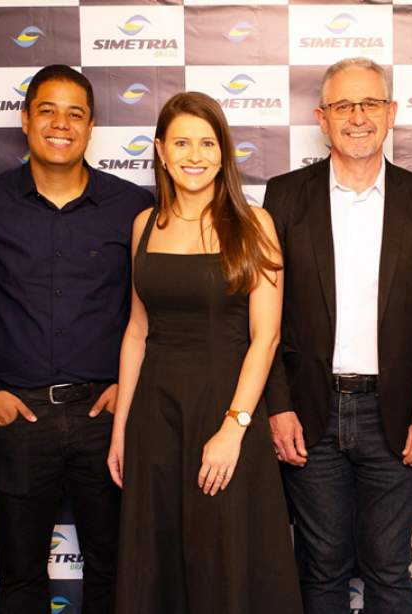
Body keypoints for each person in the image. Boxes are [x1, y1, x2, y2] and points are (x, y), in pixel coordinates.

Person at [262, 57, 412, 614]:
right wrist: (278, 406)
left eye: (370, 103)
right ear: (321, 117)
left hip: (395, 416)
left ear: (391, 113)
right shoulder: (284, 197)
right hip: (309, 414)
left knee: (389, 571)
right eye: (343, 105)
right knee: (320, 568)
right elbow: (265, 321)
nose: (357, 117)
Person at [0, 65, 153, 613]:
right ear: (25, 120)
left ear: (91, 127)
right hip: (18, 418)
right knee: (20, 573)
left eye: (75, 113)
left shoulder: (132, 208)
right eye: (47, 110)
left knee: (114, 568)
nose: (60, 124)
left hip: (105, 418)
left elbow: (154, 309)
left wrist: (127, 389)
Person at [107, 91, 301, 613]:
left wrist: (233, 428)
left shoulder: (255, 223)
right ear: (160, 150)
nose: (195, 156)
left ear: (224, 152)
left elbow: (266, 337)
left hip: (226, 410)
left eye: (207, 143)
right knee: (160, 564)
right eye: (181, 143)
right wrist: (121, 429)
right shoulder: (143, 225)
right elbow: (137, 331)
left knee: (224, 558)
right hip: (155, 418)